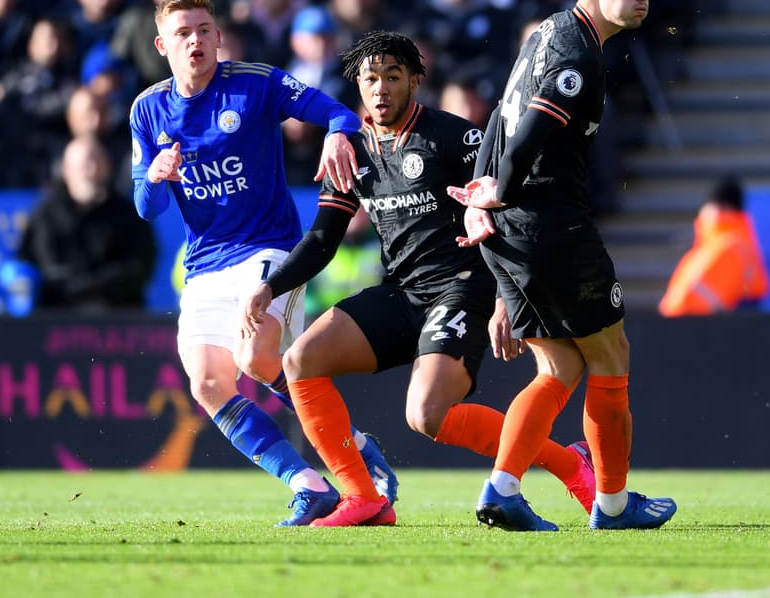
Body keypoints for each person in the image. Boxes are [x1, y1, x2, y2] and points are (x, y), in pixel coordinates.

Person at [241, 31, 597, 527]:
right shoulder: (353, 150)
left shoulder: (455, 138)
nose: (381, 89)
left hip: (463, 287)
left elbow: (504, 214)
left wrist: (504, 297)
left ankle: (568, 463)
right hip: (404, 292)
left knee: (426, 416)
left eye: (392, 77)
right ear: (358, 87)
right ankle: (364, 498)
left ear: (414, 80)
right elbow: (323, 239)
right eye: (371, 79)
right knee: (301, 361)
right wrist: (270, 286)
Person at [128, 0, 396, 526]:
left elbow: (340, 113)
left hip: (270, 250)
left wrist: (337, 138)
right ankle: (309, 485)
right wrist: (157, 174)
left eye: (204, 29)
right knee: (207, 385)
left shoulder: (256, 83)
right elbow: (145, 206)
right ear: (163, 45)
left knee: (256, 359)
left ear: (218, 36)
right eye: (183, 33)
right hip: (204, 264)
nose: (196, 40)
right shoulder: (147, 108)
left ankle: (359, 456)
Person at [447, 0, 677, 531]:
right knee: (611, 355)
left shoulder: (544, 31)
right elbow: (528, 133)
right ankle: (613, 504)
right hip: (550, 223)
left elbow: (497, 116)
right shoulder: (577, 53)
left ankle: (502, 488)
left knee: (559, 370)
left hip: (506, 224)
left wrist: (479, 195)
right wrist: (495, 188)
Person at [19, 136, 155, 310]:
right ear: (66, 170)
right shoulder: (44, 216)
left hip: (118, 317)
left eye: (98, 163)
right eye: (84, 165)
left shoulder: (130, 214)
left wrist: (97, 286)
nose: (91, 171)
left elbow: (139, 266)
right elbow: (43, 268)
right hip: (57, 319)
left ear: (108, 167)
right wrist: (81, 286)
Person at [659, 177, 770, 316]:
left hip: (709, 332)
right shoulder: (724, 246)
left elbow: (683, 305)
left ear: (722, 207)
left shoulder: (728, 247)